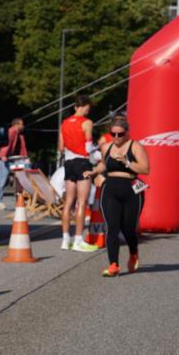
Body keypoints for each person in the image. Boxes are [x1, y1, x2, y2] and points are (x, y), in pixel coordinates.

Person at [85, 116, 150, 277]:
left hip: (131, 189)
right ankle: (113, 264)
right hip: (110, 189)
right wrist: (93, 171)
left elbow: (145, 169)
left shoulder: (135, 146)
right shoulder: (106, 146)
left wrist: (127, 162)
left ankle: (133, 252)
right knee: (112, 228)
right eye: (113, 134)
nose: (116, 138)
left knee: (128, 228)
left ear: (127, 133)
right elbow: (104, 164)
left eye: (120, 134)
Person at [58, 95, 100, 252]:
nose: (87, 111)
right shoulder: (87, 122)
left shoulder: (64, 123)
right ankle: (78, 241)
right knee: (82, 202)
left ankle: (65, 240)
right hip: (82, 162)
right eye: (88, 109)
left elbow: (61, 148)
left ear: (75, 107)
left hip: (68, 163)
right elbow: (89, 148)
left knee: (68, 202)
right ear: (86, 108)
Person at [0, 118, 26, 209]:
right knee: (3, 179)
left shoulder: (19, 134)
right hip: (5, 158)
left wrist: (24, 157)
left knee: (21, 175)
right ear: (16, 124)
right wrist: (3, 155)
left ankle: (20, 198)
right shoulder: (12, 131)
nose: (23, 126)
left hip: (12, 158)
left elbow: (22, 147)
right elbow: (7, 144)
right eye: (22, 124)